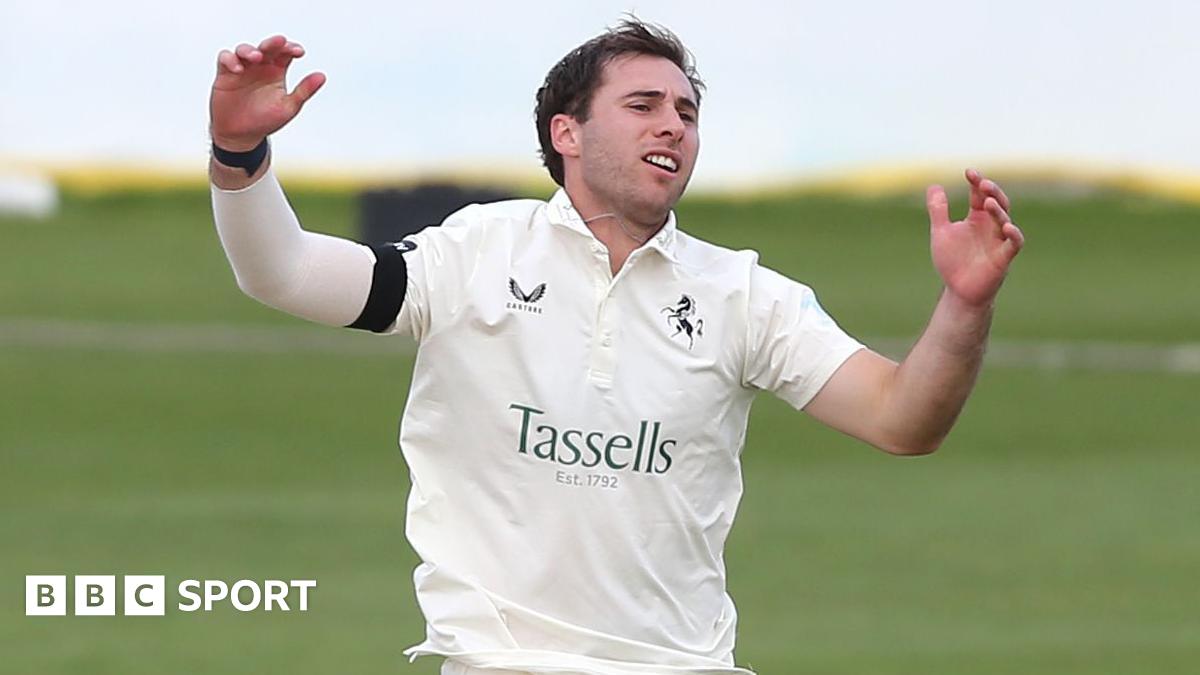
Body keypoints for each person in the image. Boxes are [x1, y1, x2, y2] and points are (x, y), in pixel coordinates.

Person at [208, 19, 1023, 675]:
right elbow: (283, 272)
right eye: (643, 104)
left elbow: (903, 419)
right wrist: (239, 154)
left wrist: (964, 303)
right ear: (566, 130)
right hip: (502, 663)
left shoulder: (741, 294)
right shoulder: (478, 252)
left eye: (688, 112)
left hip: (686, 665)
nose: (673, 123)